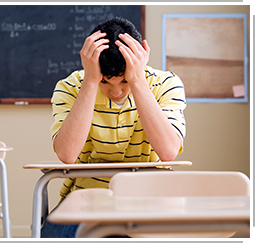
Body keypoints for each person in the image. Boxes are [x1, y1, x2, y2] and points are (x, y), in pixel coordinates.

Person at [41, 17, 186, 238]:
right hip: (86, 200)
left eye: (124, 81)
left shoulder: (166, 84)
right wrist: (90, 81)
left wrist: (137, 81)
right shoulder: (70, 87)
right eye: (105, 82)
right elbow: (67, 155)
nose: (116, 92)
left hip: (149, 198)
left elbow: (168, 152)